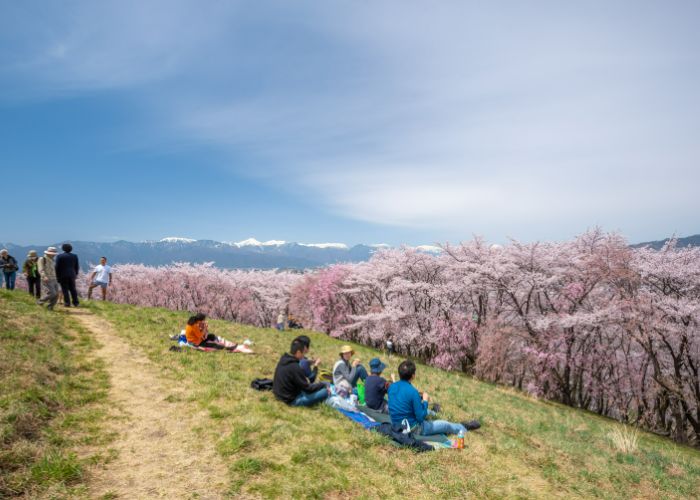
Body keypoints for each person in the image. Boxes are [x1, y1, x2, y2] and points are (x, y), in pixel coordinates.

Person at [387, 359, 480, 436]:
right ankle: (463, 427)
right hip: (413, 429)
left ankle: (435, 412)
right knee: (445, 425)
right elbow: (420, 418)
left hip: (396, 425)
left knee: (425, 412)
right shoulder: (413, 392)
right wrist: (425, 401)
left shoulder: (392, 387)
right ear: (413, 376)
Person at [273, 339, 329, 407]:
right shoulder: (295, 367)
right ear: (298, 352)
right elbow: (308, 389)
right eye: (303, 353)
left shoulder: (284, 359)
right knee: (325, 392)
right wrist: (323, 384)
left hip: (279, 394)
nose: (304, 356)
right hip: (290, 400)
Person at [184, 313, 253, 352]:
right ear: (200, 320)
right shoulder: (194, 326)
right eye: (203, 320)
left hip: (195, 339)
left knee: (211, 336)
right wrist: (204, 328)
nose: (203, 321)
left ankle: (221, 342)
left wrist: (203, 329)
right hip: (195, 342)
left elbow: (198, 333)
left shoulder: (192, 323)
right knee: (214, 345)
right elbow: (200, 336)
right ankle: (230, 348)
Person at [55, 243, 80, 307]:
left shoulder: (59, 256)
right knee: (73, 289)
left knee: (65, 289)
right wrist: (76, 274)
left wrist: (57, 276)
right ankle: (76, 303)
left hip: (63, 275)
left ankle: (67, 303)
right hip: (72, 275)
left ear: (63, 249)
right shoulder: (75, 256)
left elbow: (57, 267)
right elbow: (76, 266)